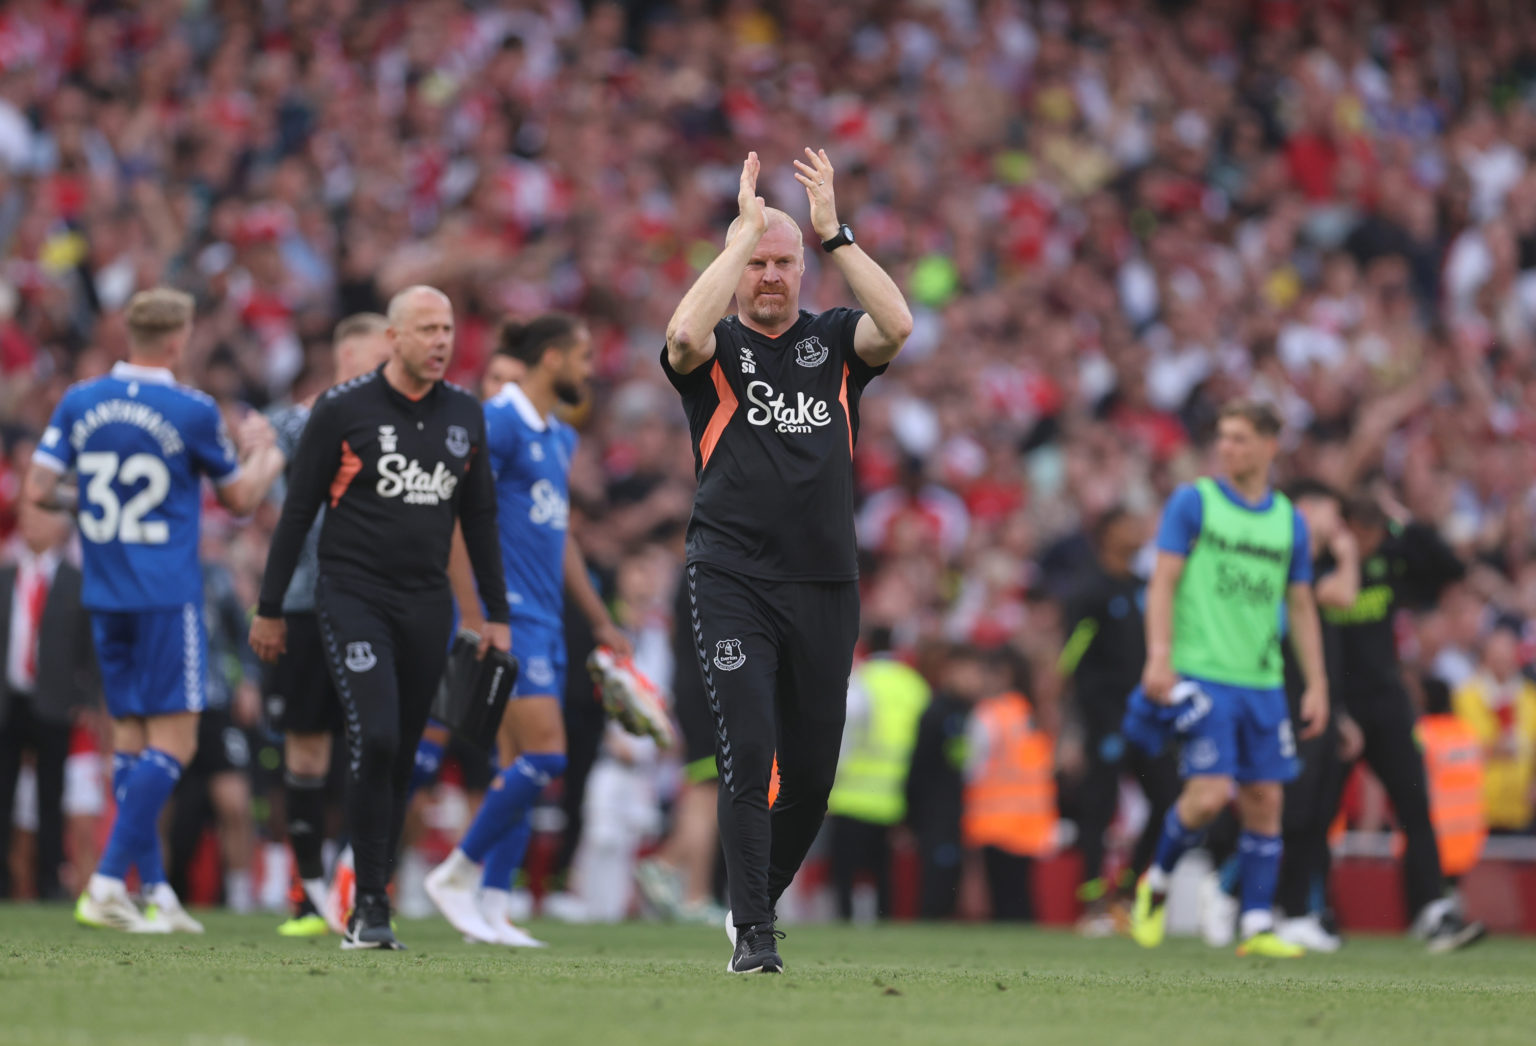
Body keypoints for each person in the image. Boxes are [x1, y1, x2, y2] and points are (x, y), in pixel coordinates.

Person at [661, 148, 912, 973]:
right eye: (758, 265)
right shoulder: (717, 353)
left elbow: (899, 325)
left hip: (826, 585)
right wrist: (739, 235)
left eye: (781, 263)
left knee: (811, 778)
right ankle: (757, 938)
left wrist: (833, 232)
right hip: (731, 578)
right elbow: (680, 334)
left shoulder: (836, 342)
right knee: (749, 751)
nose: (770, 277)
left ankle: (752, 904)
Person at [250, 285, 510, 951]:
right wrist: (270, 606)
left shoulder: (464, 415)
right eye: (426, 329)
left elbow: (478, 520)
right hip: (352, 594)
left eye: (448, 329)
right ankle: (367, 903)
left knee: (401, 760)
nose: (441, 342)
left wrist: (495, 615)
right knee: (382, 737)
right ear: (393, 339)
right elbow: (299, 510)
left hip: (428, 603)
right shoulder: (344, 408)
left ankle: (373, 894)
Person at [25, 286, 285, 932]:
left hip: (104, 592)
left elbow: (38, 488)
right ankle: (110, 880)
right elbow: (243, 498)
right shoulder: (190, 409)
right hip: (166, 596)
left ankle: (158, 891)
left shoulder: (81, 399)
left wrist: (88, 504)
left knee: (134, 740)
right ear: (178, 339)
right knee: (177, 739)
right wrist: (272, 449)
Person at [426, 313, 632, 947]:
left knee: (520, 766)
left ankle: (491, 907)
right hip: (507, 614)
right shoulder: (500, 424)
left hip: (546, 617)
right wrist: (476, 615)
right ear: (552, 360)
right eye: (583, 356)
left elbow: (558, 531)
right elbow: (456, 519)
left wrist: (598, 618)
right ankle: (456, 874)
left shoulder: (560, 438)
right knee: (546, 755)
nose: (590, 369)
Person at [1127, 399, 1329, 958]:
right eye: (1223, 437)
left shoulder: (1289, 521)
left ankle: (1257, 925)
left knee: (1266, 798)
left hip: (1262, 680)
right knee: (1212, 795)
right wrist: (1159, 655)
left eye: (1240, 438)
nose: (1226, 448)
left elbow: (1303, 605)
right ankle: (1156, 884)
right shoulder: (1195, 501)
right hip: (1203, 671)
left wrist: (1316, 683)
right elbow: (1163, 582)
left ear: (1270, 446)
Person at [261, 312, 392, 937]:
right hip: (305, 605)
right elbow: (257, 466)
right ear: (344, 361)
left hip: (377, 600)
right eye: (371, 361)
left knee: (375, 744)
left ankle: (358, 882)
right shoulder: (295, 421)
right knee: (308, 745)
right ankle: (305, 887)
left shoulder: (400, 421)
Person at [1318, 493, 1486, 949]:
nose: (1370, 540)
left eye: (1377, 531)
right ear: (1345, 527)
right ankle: (1312, 908)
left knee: (1416, 809)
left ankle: (1430, 909)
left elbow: (1450, 569)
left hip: (1387, 702)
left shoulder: (1391, 559)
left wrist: (1407, 522)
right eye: (1362, 531)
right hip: (1339, 703)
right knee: (1319, 813)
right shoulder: (1320, 565)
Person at [1056, 506, 1179, 935]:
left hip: (1149, 716)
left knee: (1167, 800)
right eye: (1128, 523)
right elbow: (1070, 659)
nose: (1138, 528)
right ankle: (1093, 906)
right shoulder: (1088, 591)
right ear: (1107, 534)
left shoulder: (1146, 588)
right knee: (1099, 806)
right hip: (1105, 715)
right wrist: (1073, 722)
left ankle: (1126, 890)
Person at [0, 499, 96, 901]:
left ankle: (50, 881)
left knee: (50, 796)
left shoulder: (77, 582)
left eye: (40, 516)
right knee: (3, 794)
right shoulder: (5, 577)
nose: (30, 523)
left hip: (54, 703)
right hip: (8, 701)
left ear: (61, 528)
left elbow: (90, 650)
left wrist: (83, 697)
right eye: (27, 516)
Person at [825, 635, 930, 922]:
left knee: (844, 872)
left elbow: (842, 736)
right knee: (883, 872)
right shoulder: (915, 686)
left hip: (850, 794)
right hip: (893, 796)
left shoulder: (859, 680)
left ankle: (843, 922)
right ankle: (885, 923)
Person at [1452, 624, 1536, 835]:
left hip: (1521, 810)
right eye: (1496, 655)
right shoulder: (1466, 696)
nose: (1502, 662)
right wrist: (1493, 749)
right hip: (1478, 809)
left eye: (1506, 655)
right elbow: (1459, 751)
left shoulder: (1530, 698)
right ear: (1485, 657)